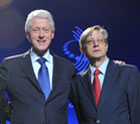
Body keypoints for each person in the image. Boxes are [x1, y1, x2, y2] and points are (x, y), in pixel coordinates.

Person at [0, 9, 75, 124]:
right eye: (36, 30)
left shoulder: (67, 68)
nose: (41, 35)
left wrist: (111, 71)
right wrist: (18, 114)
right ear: (27, 34)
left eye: (46, 30)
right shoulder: (10, 65)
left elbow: (85, 99)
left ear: (52, 34)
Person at [71, 25, 140, 124]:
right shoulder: (76, 83)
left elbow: (137, 114)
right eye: (90, 41)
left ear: (106, 46)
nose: (96, 44)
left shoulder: (128, 73)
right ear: (82, 50)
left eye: (100, 40)